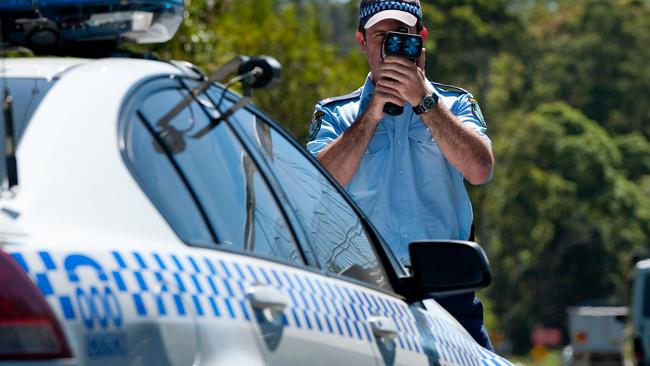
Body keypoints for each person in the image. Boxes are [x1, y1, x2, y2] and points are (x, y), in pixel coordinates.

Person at [306, 0, 495, 350]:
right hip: (360, 295)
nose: (391, 47)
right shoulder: (336, 115)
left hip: (448, 294)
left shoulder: (454, 105)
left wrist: (425, 101)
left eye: (402, 36)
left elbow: (480, 169)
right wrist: (371, 115)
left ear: (421, 40)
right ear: (362, 42)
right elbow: (317, 187)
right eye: (381, 36)